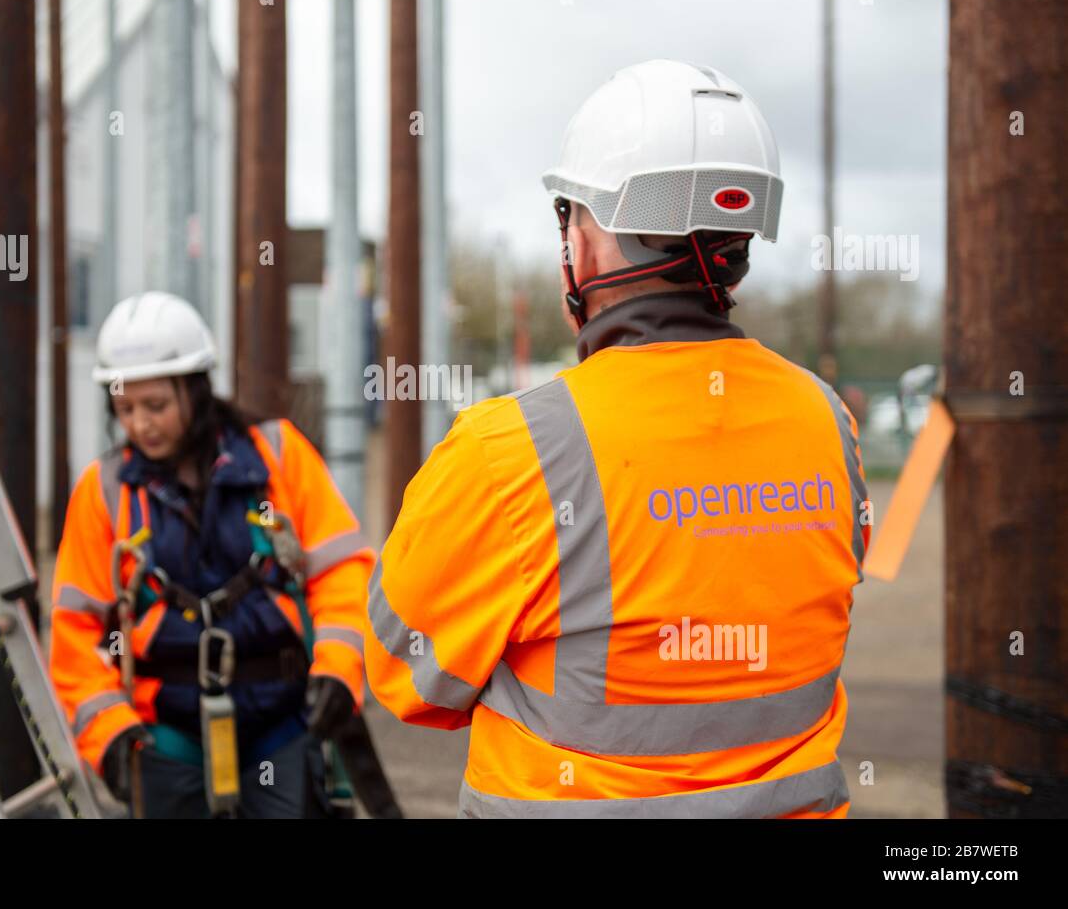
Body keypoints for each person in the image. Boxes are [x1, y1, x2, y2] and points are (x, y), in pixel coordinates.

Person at [364, 60, 871, 818]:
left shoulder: (507, 453)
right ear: (739, 238)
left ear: (588, 240)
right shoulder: (827, 422)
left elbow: (408, 674)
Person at [50, 291, 373, 818]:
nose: (140, 424)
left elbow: (342, 574)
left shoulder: (279, 455)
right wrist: (110, 735)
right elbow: (76, 631)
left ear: (196, 391)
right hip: (165, 736)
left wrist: (338, 670)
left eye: (155, 405)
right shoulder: (105, 490)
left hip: (284, 722)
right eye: (124, 408)